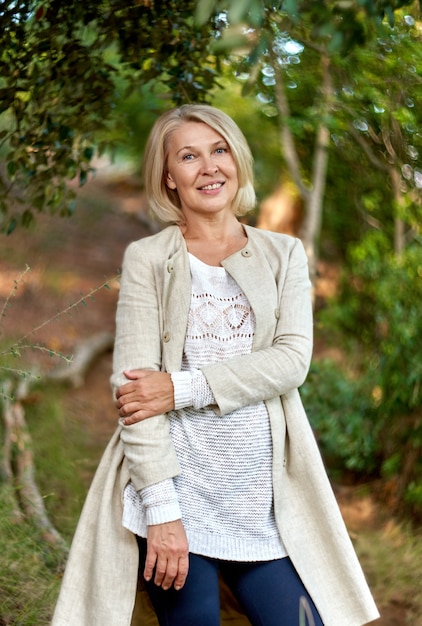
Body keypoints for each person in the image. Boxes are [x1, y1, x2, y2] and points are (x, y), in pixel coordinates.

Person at [51, 105, 380, 626]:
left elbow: (291, 361)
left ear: (237, 161)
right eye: (188, 156)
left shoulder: (284, 254)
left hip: (263, 498)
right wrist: (161, 514)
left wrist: (180, 388)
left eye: (219, 150)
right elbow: (135, 393)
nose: (209, 167)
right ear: (169, 177)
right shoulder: (147, 258)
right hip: (176, 491)